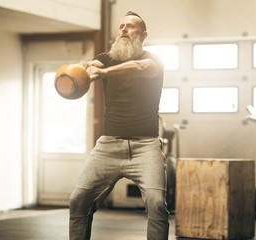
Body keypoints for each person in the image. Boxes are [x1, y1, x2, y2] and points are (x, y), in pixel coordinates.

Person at [68, 11, 169, 240]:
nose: (124, 29)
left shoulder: (154, 60)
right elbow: (92, 65)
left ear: (143, 35)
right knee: (78, 200)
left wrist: (103, 73)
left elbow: (140, 69)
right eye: (121, 26)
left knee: (156, 204)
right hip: (108, 146)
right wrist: (83, 69)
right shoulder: (106, 57)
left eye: (131, 26)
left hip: (146, 147)